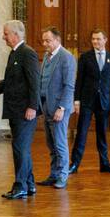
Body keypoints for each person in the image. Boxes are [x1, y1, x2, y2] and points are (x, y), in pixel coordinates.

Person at [0, 19, 40, 199]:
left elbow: (35, 82)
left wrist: (33, 107)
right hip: (16, 110)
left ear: (16, 35)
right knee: (22, 147)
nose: (3, 37)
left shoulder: (28, 53)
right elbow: (10, 81)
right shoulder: (14, 53)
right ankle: (29, 183)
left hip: (25, 111)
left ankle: (20, 186)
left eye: (5, 34)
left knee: (20, 147)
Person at [70, 28, 110, 174]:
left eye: (98, 39)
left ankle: (104, 164)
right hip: (87, 101)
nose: (95, 42)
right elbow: (79, 80)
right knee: (81, 133)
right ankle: (74, 164)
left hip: (103, 102)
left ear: (105, 40)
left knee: (102, 134)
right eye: (93, 39)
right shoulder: (85, 57)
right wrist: (77, 100)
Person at [36, 26, 76, 190]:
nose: (45, 44)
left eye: (48, 40)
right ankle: (53, 174)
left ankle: (62, 176)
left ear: (57, 40)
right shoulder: (47, 56)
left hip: (59, 109)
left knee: (60, 144)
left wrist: (62, 108)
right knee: (50, 144)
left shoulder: (67, 58)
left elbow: (69, 86)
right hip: (46, 106)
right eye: (43, 40)